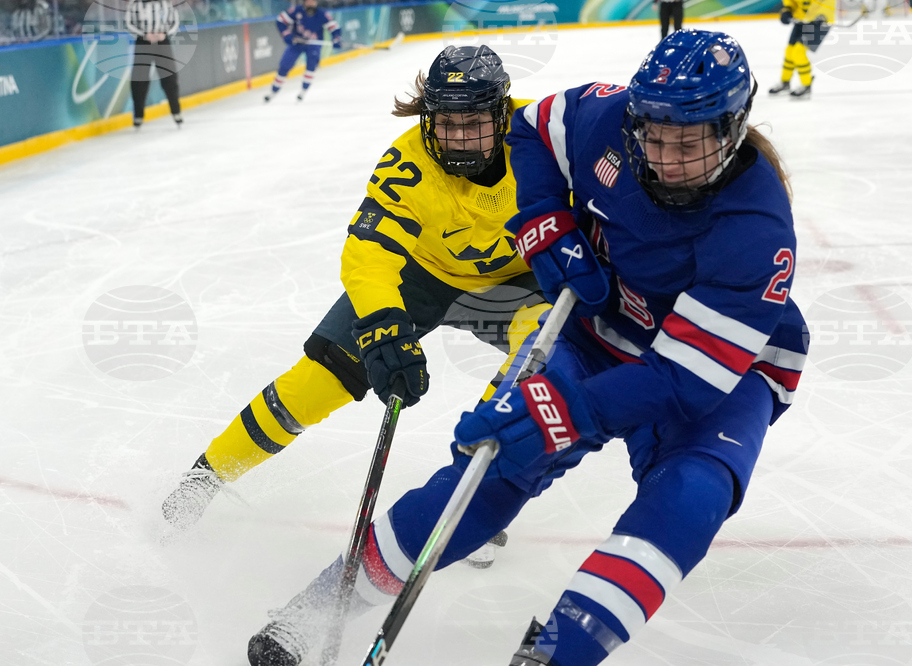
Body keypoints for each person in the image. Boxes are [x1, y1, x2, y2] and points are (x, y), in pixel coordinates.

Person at [246, 29, 810, 666]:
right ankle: (319, 608)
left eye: (690, 142)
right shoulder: (607, 117)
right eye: (653, 137)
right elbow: (533, 132)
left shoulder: (757, 228)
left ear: (732, 128)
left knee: (687, 495)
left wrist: (562, 413)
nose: (667, 159)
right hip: (598, 326)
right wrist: (548, 228)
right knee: (490, 468)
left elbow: (685, 381)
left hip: (721, 367)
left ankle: (556, 654)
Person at [162, 44, 546, 564]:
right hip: (422, 275)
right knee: (319, 379)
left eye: (474, 121)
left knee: (539, 360)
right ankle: (204, 478)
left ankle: (465, 494)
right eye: (445, 122)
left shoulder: (545, 135)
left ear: (502, 112)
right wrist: (385, 324)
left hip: (518, 278)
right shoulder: (408, 161)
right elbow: (369, 253)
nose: (458, 137)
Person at [264, 0, 341, 102]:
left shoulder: (322, 14)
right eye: (308, 1)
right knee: (284, 65)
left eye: (313, 1)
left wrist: (336, 38)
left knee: (311, 67)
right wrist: (287, 35)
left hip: (314, 45)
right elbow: (280, 20)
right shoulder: (296, 11)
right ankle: (274, 91)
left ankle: (303, 91)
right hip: (297, 43)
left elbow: (334, 27)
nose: (310, 3)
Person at [125, 0, 183, 126]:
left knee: (170, 78)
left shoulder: (166, 2)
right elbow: (129, 23)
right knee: (139, 80)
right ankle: (138, 115)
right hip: (143, 43)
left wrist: (165, 34)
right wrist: (145, 35)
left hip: (163, 42)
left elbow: (175, 21)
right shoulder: (134, 3)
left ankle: (176, 112)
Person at [768, 0, 832, 99]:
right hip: (801, 20)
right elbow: (791, 2)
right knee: (790, 51)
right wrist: (787, 10)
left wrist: (824, 14)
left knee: (799, 51)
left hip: (819, 22)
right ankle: (785, 82)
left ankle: (806, 85)